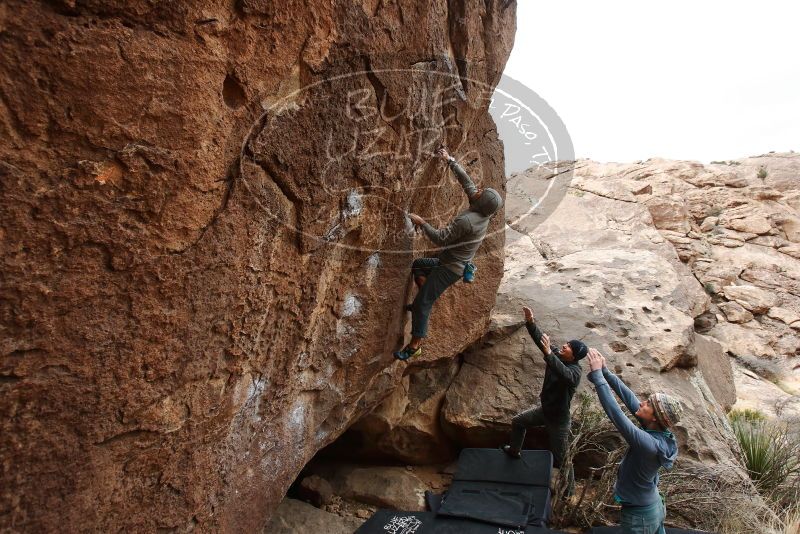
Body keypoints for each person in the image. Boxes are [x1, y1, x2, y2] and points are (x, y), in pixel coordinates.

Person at [393, 147, 503, 361]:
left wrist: (422, 223)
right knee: (418, 265)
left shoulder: (468, 221)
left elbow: (441, 238)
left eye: (481, 192)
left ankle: (415, 346)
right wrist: (450, 160)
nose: (478, 190)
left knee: (424, 303)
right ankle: (422, 303)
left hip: (450, 268)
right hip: (448, 262)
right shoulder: (483, 210)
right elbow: (468, 184)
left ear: (481, 202)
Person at [585, 348, 683, 534]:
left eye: (648, 404)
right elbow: (630, 400)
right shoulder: (656, 431)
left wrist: (598, 376)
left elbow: (615, 413)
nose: (641, 404)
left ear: (655, 417)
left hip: (640, 517)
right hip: (653, 506)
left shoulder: (648, 444)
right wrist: (606, 372)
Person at [502, 306, 588, 495]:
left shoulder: (575, 372)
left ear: (573, 356)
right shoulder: (556, 355)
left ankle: (570, 492)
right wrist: (531, 322)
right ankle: (514, 450)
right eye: (565, 344)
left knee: (563, 458)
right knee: (518, 422)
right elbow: (541, 341)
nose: (563, 346)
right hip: (544, 411)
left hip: (558, 421)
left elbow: (563, 373)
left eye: (567, 347)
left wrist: (549, 354)